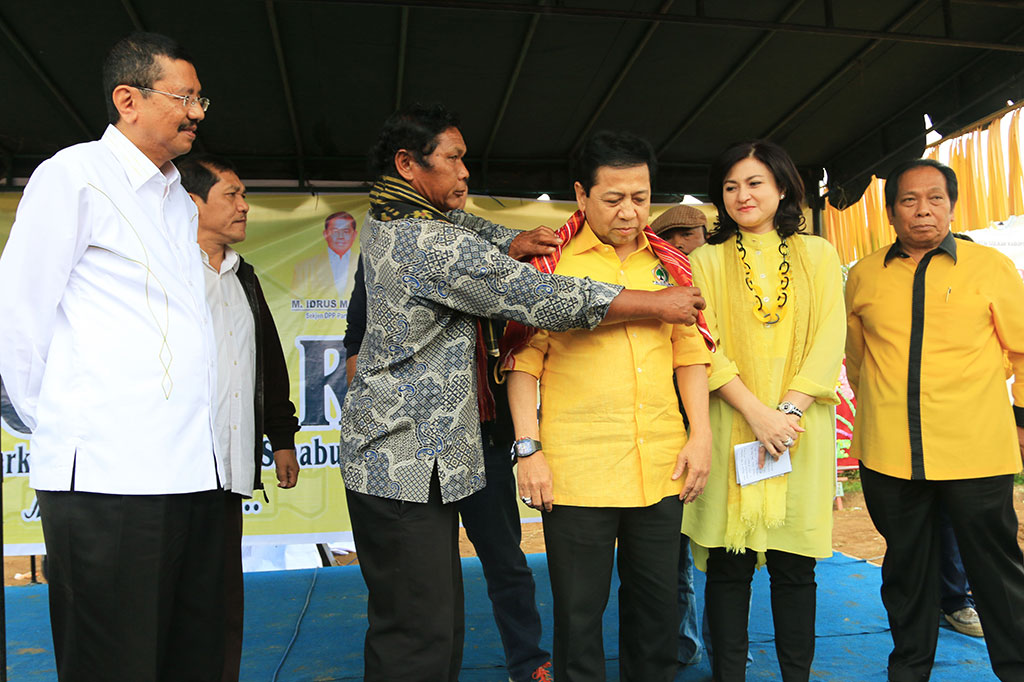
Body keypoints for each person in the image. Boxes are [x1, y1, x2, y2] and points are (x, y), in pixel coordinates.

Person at [340, 103, 708, 682]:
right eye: (455, 159)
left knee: (437, 620)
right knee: (417, 629)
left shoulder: (421, 222)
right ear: (408, 165)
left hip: (442, 454)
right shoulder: (424, 242)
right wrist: (652, 305)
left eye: (641, 197)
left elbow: (480, 230)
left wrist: (518, 238)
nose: (466, 172)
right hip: (402, 459)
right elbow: (540, 300)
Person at [0, 33, 226, 680]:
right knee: (115, 659)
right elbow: (18, 314)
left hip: (188, 470)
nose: (197, 112)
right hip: (107, 474)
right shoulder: (74, 176)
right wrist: (73, 424)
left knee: (185, 653)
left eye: (200, 98)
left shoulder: (176, 200)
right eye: (184, 96)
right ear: (128, 99)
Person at [503, 130, 713, 682]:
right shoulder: (551, 267)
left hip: (662, 463)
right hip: (577, 472)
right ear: (582, 194)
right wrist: (529, 450)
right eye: (614, 198)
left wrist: (701, 435)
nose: (629, 212)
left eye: (640, 198)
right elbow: (523, 361)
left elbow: (689, 352)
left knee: (657, 612)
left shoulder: (668, 261)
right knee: (578, 614)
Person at [845, 158, 1024, 681]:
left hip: (976, 450)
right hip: (890, 454)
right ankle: (909, 670)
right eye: (909, 200)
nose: (923, 210)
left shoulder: (990, 267)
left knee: (996, 572)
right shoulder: (863, 275)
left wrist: (1019, 420)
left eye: (935, 199)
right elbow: (858, 362)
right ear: (890, 211)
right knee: (906, 572)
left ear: (951, 205)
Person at [681, 139, 846, 682]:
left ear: (781, 187)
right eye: (730, 186)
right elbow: (702, 345)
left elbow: (830, 337)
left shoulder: (818, 253)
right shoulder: (702, 260)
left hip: (800, 429)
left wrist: (789, 411)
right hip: (734, 426)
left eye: (754, 183)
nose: (742, 195)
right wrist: (757, 413)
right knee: (729, 569)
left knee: (795, 569)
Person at [344, 256, 553, 682]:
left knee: (506, 561)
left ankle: (529, 661)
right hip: (417, 451)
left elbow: (523, 345)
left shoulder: (479, 260)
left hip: (484, 441)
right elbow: (358, 347)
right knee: (422, 580)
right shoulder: (386, 257)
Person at [178, 154, 302, 681]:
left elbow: (267, 361)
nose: (244, 206)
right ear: (193, 203)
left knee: (222, 599)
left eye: (243, 194)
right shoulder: (167, 274)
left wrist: (281, 438)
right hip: (169, 470)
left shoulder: (242, 277)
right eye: (231, 194)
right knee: (172, 597)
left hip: (226, 471)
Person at [651, 202, 709, 668]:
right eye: (697, 238)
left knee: (701, 554)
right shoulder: (665, 288)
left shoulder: (696, 288)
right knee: (677, 555)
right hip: (673, 442)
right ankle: (683, 643)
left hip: (702, 434)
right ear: (677, 240)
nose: (703, 246)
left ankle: (694, 643)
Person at [292, 211, 358, 300]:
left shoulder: (366, 265)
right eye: (335, 231)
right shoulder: (304, 267)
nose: (340, 236)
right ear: (325, 234)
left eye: (346, 231)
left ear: (354, 235)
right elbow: (295, 302)